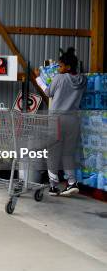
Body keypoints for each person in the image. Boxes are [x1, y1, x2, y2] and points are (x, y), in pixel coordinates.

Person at [43, 47, 86, 197]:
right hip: (73, 119)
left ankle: (53, 186)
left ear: (67, 67)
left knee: (53, 152)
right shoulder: (82, 79)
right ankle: (72, 183)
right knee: (68, 153)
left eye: (60, 66)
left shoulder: (59, 78)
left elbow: (48, 93)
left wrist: (40, 78)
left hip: (57, 120)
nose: (58, 69)